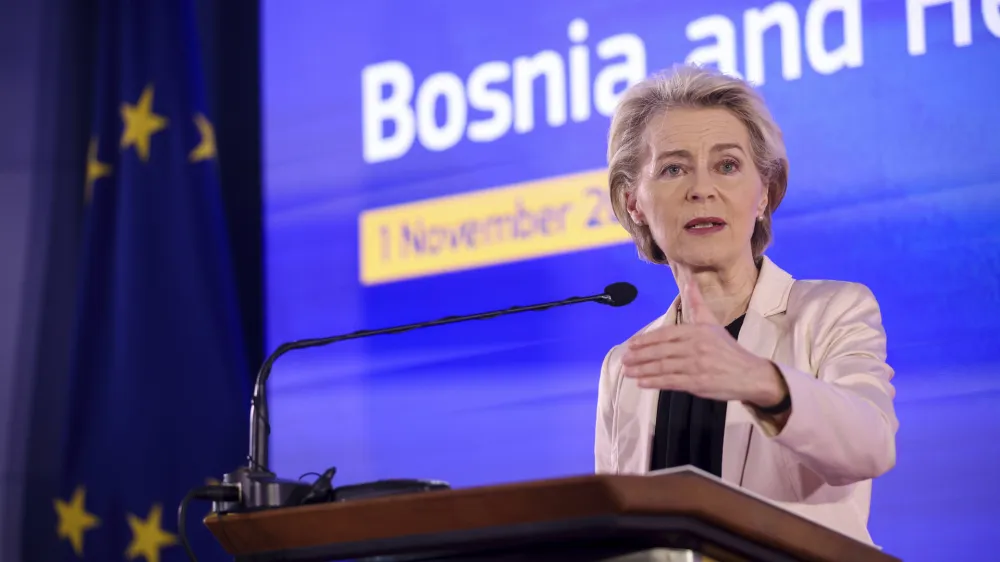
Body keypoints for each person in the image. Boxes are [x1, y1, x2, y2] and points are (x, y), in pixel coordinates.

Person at [594, 64, 898, 545]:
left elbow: (870, 447)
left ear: (764, 195)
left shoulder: (832, 313)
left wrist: (760, 381)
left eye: (728, 165)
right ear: (635, 203)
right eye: (673, 168)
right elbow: (622, 531)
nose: (701, 188)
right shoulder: (625, 367)